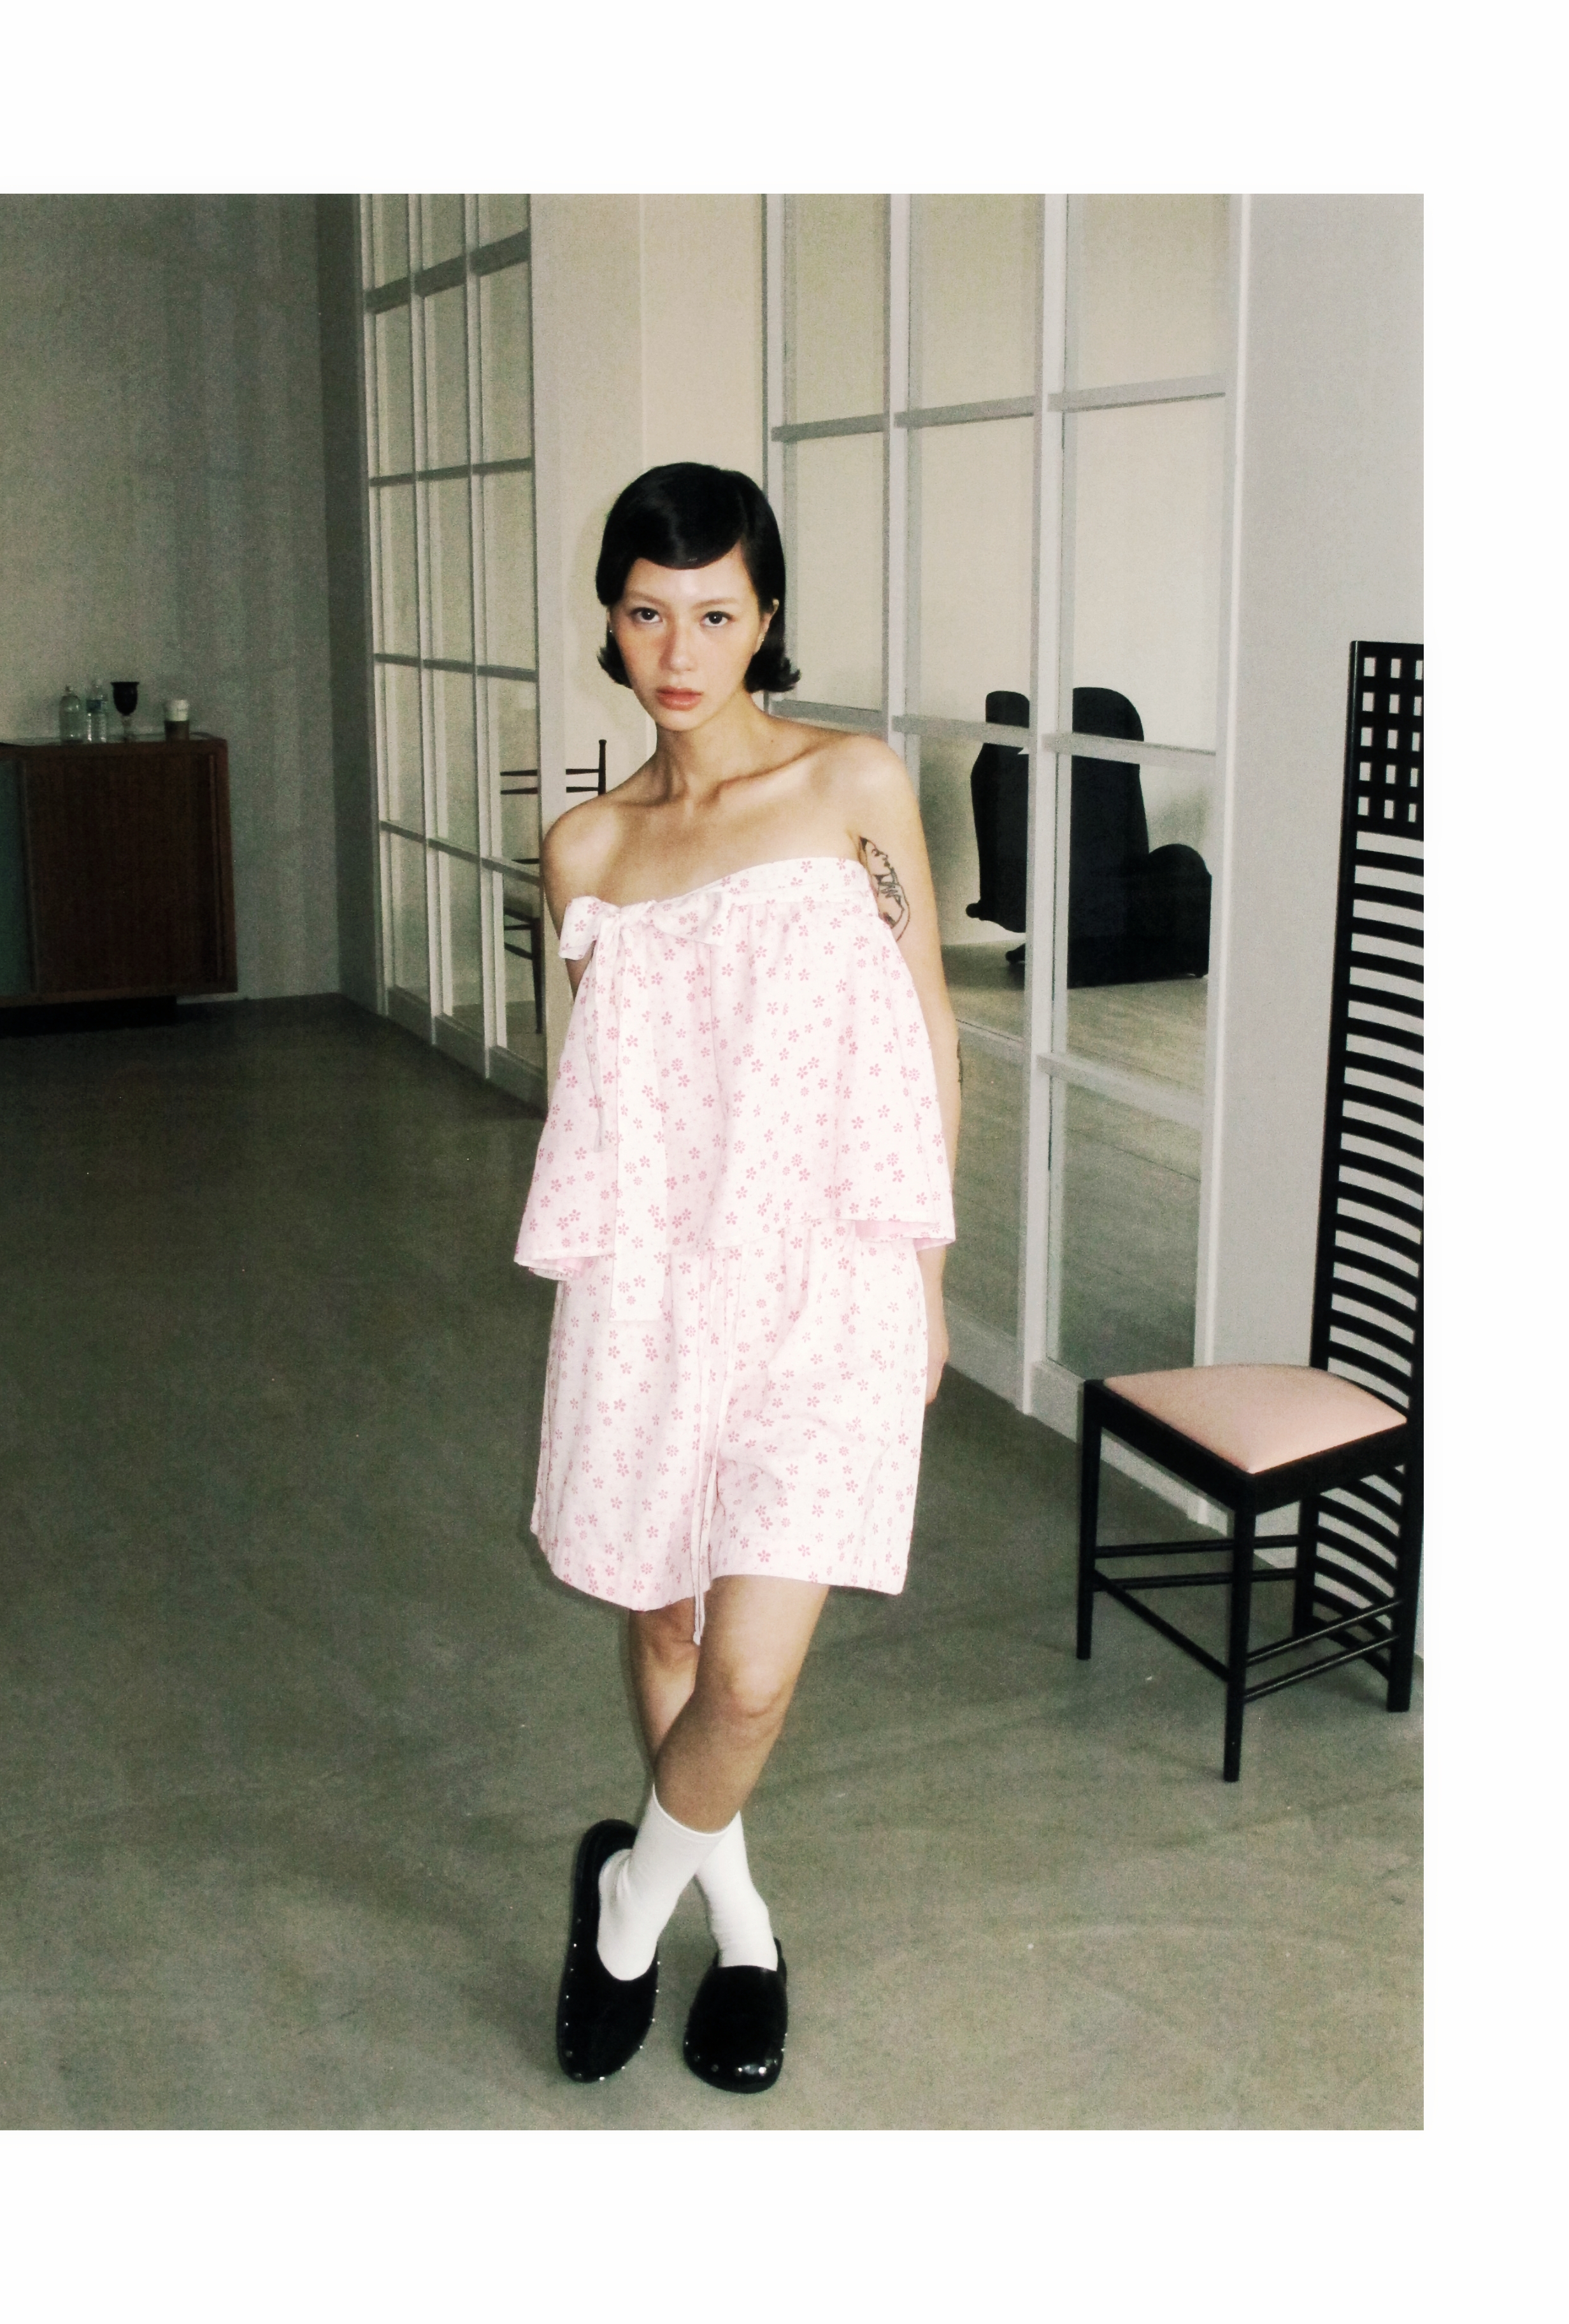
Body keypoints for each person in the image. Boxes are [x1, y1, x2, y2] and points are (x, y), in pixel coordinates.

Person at [515, 461, 959, 2095]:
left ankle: (628, 1912)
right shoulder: (586, 848)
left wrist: (926, 1273)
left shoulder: (853, 785)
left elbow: (927, 1024)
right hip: (651, 1291)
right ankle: (746, 1927)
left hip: (830, 1281)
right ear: (611, 624)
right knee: (672, 1622)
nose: (680, 651)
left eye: (715, 614)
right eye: (649, 614)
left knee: (752, 1675)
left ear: (767, 617)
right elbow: (603, 1090)